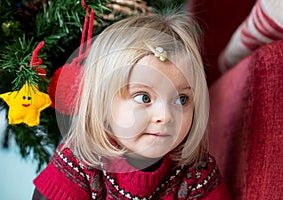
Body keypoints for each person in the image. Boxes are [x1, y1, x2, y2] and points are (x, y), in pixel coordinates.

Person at [32, 12, 230, 199]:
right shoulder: (79, 162)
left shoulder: (196, 172)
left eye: (181, 100)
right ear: (102, 103)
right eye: (144, 97)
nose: (166, 116)